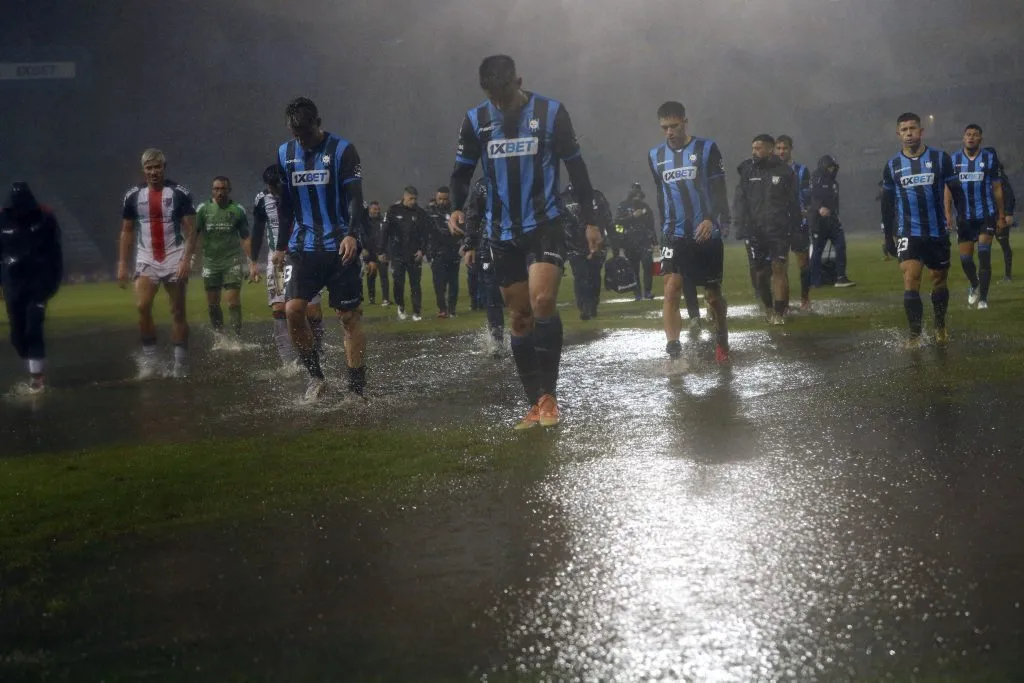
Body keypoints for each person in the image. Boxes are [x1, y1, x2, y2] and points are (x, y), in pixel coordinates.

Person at [448, 54, 602, 429]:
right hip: (501, 234)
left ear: (519, 80)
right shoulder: (476, 120)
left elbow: (577, 167)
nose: (499, 103)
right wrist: (455, 208)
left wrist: (590, 220)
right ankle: (534, 402)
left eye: (505, 93)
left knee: (543, 300)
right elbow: (461, 172)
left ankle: (549, 396)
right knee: (519, 317)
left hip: (544, 224)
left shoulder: (551, 113)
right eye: (493, 96)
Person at [273, 96, 367, 401]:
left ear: (318, 123)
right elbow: (286, 205)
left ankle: (356, 389)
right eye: (295, 134)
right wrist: (279, 246)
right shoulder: (285, 153)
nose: (301, 140)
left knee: (349, 318)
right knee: (293, 311)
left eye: (306, 133)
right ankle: (315, 377)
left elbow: (355, 197)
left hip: (340, 245)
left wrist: (352, 234)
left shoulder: (342, 150)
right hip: (303, 246)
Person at [648, 100, 731, 364]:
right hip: (674, 233)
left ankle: (722, 339)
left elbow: (719, 189)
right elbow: (661, 195)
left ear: (685, 121)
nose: (669, 132)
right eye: (664, 128)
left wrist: (711, 219)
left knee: (712, 295)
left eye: (673, 126)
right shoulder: (655, 156)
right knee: (671, 289)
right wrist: (661, 229)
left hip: (704, 232)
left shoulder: (706, 148)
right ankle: (673, 350)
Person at [881, 112, 957, 347]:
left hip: (936, 232)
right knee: (911, 277)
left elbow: (957, 191)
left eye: (913, 128)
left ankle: (940, 324)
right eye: (904, 130)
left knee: (938, 281)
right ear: (898, 134)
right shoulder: (892, 165)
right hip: (908, 232)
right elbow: (887, 204)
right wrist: (887, 237)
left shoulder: (940, 158)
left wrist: (960, 218)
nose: (909, 133)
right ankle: (914, 335)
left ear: (921, 131)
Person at [119, 148, 196, 378]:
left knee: (178, 311)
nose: (153, 172)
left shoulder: (179, 193)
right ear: (143, 170)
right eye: (149, 168)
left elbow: (191, 231)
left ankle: (180, 365)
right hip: (147, 257)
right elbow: (127, 230)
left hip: (174, 255)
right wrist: (122, 263)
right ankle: (151, 362)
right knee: (142, 306)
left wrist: (186, 260)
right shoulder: (133, 195)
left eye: (157, 167)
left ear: (164, 167)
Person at [251, 164, 326, 368]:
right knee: (278, 309)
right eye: (272, 187)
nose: (275, 191)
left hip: (305, 257)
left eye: (278, 186)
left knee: (311, 311)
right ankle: (288, 363)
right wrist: (252, 261)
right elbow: (257, 230)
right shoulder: (261, 199)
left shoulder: (301, 195)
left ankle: (317, 354)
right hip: (277, 260)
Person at [0, 182, 62, 393]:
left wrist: (53, 282)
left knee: (34, 325)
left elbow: (55, 252)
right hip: (13, 283)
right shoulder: (1, 220)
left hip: (38, 281)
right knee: (17, 335)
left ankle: (37, 378)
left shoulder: (44, 218)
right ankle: (30, 360)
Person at [734, 134, 800, 325]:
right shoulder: (747, 171)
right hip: (756, 231)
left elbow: (793, 203)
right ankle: (768, 308)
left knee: (779, 268)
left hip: (778, 230)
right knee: (761, 273)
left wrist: (795, 228)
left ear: (770, 149)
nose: (754, 152)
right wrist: (741, 226)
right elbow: (741, 201)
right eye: (753, 148)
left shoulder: (785, 172)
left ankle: (779, 313)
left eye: (758, 148)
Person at [946, 126, 1007, 309]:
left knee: (984, 254)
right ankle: (974, 284)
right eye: (968, 134)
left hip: (986, 215)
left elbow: (997, 188)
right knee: (965, 260)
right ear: (963, 137)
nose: (971, 137)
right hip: (964, 218)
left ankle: (983, 299)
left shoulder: (989, 158)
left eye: (975, 135)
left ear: (981, 138)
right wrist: (948, 213)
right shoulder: (954, 160)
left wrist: (1001, 215)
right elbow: (947, 189)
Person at [191, 176, 251, 341]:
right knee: (213, 304)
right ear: (212, 190)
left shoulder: (237, 210)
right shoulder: (203, 209)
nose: (219, 192)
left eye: (223, 189)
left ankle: (236, 338)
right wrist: (189, 257)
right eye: (216, 189)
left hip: (231, 260)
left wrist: (251, 261)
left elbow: (245, 237)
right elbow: (193, 235)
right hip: (211, 261)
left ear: (229, 190)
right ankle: (220, 336)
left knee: (232, 302)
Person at [464, 178, 505, 355]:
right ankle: (497, 339)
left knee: (524, 291)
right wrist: (470, 245)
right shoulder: (482, 185)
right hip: (490, 244)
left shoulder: (524, 173)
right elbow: (473, 214)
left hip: (520, 243)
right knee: (492, 294)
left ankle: (528, 334)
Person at [774, 135, 814, 309]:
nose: (782, 151)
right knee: (780, 266)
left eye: (785, 148)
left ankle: (805, 297)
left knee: (803, 263)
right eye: (779, 148)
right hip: (779, 225)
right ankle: (786, 302)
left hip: (798, 223)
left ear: (791, 149)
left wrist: (806, 211)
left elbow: (808, 195)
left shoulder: (802, 170)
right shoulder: (771, 170)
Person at [562, 183, 612, 320]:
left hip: (596, 244)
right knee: (581, 276)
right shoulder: (563, 199)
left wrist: (612, 238)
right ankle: (584, 308)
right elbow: (560, 223)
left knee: (594, 275)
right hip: (574, 245)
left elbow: (607, 217)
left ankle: (593, 305)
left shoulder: (596, 196)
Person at [808, 155, 856, 288]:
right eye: (829, 167)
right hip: (819, 221)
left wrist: (836, 215)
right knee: (817, 250)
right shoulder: (815, 179)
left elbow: (835, 203)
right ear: (823, 167)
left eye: (833, 167)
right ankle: (814, 281)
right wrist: (819, 207)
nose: (832, 170)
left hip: (833, 220)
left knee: (841, 246)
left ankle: (841, 277)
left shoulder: (834, 183)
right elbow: (811, 196)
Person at [383, 186, 428, 321]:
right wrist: (382, 250)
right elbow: (385, 232)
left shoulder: (420, 213)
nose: (413, 201)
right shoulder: (393, 210)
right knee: (398, 283)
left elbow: (425, 234)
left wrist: (422, 250)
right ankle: (401, 306)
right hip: (397, 254)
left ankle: (416, 312)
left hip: (414, 255)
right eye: (410, 199)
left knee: (415, 284)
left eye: (415, 199)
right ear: (404, 197)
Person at [613, 182, 659, 300]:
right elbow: (617, 222)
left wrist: (655, 243)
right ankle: (637, 293)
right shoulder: (622, 206)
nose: (637, 195)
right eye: (635, 191)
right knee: (634, 269)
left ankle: (648, 291)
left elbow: (651, 226)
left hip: (644, 241)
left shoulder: (646, 207)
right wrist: (632, 217)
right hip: (629, 241)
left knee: (648, 265)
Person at [426, 187, 461, 318]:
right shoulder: (430, 212)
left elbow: (461, 229)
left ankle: (452, 309)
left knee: (454, 283)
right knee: (439, 284)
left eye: (445, 199)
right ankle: (442, 309)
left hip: (453, 252)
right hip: (437, 254)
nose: (442, 201)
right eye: (440, 199)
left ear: (449, 198)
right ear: (436, 198)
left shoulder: (455, 211)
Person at [364, 200, 389, 305]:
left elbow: (387, 238)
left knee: (384, 276)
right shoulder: (364, 222)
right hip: (369, 254)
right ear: (369, 209)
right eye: (374, 209)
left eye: (378, 209)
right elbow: (362, 237)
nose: (377, 211)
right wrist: (364, 251)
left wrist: (385, 253)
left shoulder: (383, 221)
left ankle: (385, 299)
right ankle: (371, 298)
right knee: (371, 276)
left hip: (381, 253)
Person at [996, 168, 1014, 282]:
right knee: (983, 245)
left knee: (1004, 244)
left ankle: (1008, 275)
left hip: (1000, 216)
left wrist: (1008, 213)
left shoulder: (1001, 178)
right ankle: (982, 274)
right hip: (987, 216)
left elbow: (1010, 196)